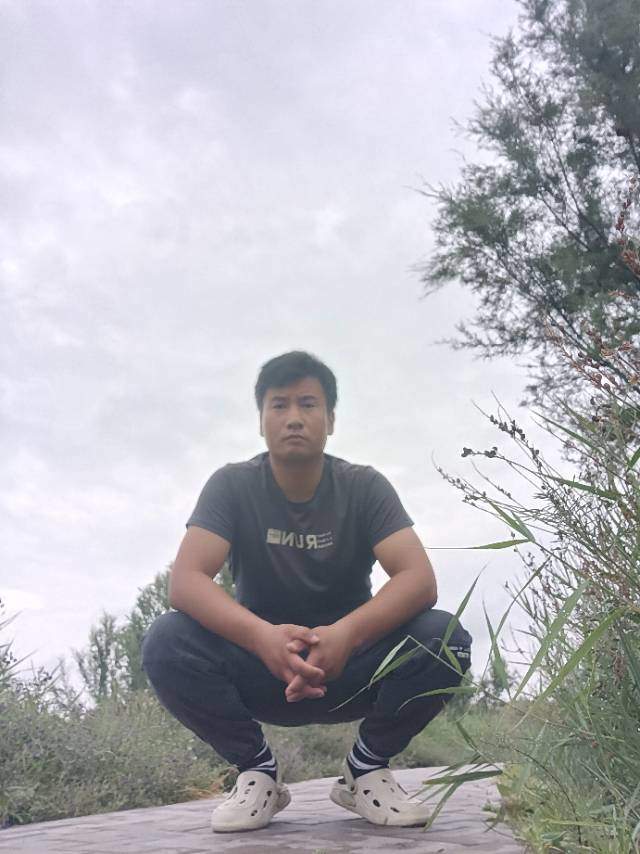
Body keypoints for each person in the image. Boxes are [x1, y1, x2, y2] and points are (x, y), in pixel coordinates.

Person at [142, 351, 472, 833]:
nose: (294, 418)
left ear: (330, 419)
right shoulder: (232, 485)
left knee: (446, 637)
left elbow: (418, 578)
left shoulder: (364, 486)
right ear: (261, 420)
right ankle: (257, 772)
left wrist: (346, 636)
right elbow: (187, 580)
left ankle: (366, 769)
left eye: (308, 404)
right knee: (165, 640)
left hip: (351, 667)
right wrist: (262, 638)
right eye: (279, 405)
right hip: (260, 669)